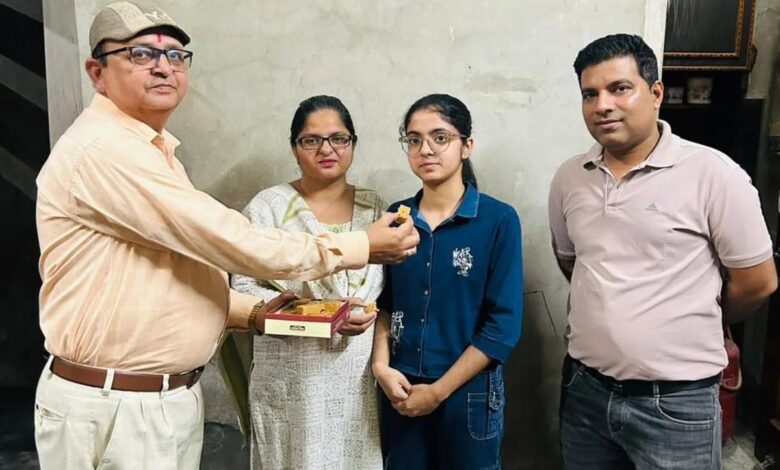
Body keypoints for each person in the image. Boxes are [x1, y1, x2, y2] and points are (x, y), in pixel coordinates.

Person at [33, 3, 418, 468]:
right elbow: (233, 242)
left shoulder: (155, 153)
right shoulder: (105, 151)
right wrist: (362, 246)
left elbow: (176, 276)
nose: (163, 67)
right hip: (117, 404)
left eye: (176, 55)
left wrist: (262, 313)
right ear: (97, 73)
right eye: (140, 54)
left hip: (161, 399)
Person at [549, 33, 778, 469]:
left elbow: (758, 281)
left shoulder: (713, 174)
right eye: (590, 94)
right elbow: (572, 262)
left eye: (619, 88)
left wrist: (701, 316)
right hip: (585, 393)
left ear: (655, 93)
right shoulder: (570, 178)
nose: (602, 105)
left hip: (677, 403)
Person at [231, 95, 385, 469]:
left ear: (352, 144)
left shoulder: (375, 208)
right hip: (292, 379)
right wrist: (323, 315)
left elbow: (390, 291)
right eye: (311, 140)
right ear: (294, 148)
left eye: (339, 138)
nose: (326, 149)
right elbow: (244, 288)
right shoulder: (269, 207)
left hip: (357, 381)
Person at [372, 94, 524, 469]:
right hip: (401, 387)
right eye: (414, 139)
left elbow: (503, 326)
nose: (426, 149)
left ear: (466, 146)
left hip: (469, 393)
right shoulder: (396, 219)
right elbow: (383, 302)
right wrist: (381, 368)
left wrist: (438, 391)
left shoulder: (498, 219)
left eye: (440, 138)